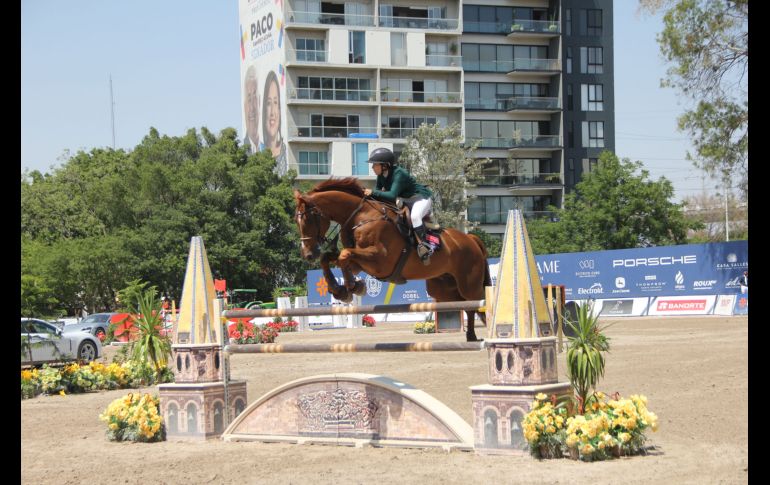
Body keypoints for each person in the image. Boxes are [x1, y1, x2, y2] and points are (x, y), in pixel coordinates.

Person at [363, 147, 437, 264]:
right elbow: (378, 194)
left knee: (415, 217)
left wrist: (372, 192)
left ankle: (424, 246)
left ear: (385, 165)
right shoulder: (381, 176)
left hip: (420, 198)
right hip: (405, 200)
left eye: (375, 164)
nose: (372, 167)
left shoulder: (399, 173)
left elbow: (391, 195)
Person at [262, 70, 288, 175]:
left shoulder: (285, 151)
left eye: (275, 103)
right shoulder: (258, 155)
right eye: (268, 103)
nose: (272, 111)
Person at [242, 65, 262, 153]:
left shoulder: (267, 145)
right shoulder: (243, 150)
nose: (252, 108)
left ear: (260, 102)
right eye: (249, 99)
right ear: (244, 105)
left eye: (255, 98)